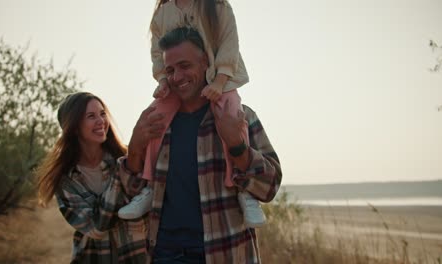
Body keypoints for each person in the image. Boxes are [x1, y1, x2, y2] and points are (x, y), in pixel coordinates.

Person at [119, 27, 282, 263]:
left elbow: (270, 187)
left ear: (206, 62)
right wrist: (134, 147)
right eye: (170, 70)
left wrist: (236, 145)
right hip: (165, 253)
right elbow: (132, 194)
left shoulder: (239, 117)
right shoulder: (156, 122)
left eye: (185, 66)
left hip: (225, 252)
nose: (177, 77)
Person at [118, 0, 266, 229]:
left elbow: (230, 43)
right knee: (154, 115)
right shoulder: (162, 15)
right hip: (175, 85)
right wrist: (164, 79)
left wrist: (219, 80)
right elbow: (158, 52)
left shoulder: (217, 7)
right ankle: (149, 187)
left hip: (222, 79)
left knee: (233, 114)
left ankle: (246, 192)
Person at [36, 92, 150, 263]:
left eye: (102, 114)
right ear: (74, 127)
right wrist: (121, 174)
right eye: (91, 116)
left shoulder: (130, 159)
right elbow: (96, 228)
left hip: (138, 257)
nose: (101, 121)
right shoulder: (67, 180)